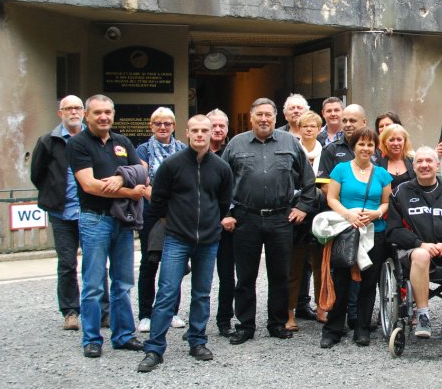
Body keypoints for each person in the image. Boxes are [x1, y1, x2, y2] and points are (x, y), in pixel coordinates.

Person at [136, 115, 234, 372]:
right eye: (195, 130)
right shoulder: (172, 165)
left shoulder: (222, 168)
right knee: (167, 292)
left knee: (201, 293)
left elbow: (223, 202)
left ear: (212, 132)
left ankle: (197, 340)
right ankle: (155, 348)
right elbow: (157, 202)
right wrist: (175, 223)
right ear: (187, 133)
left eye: (205, 130)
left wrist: (212, 224)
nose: (200, 135)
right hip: (177, 239)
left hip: (209, 240)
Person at [221, 98, 318, 345]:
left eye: (268, 115)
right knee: (245, 276)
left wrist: (303, 208)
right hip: (246, 218)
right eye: (259, 115)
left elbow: (309, 181)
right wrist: (227, 212)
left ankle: (276, 322)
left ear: (276, 118)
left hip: (280, 218)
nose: (264, 119)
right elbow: (221, 182)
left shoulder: (289, 143)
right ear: (251, 118)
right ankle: (245, 325)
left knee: (280, 274)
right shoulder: (235, 144)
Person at [66, 94, 148, 358]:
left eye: (107, 112)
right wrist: (128, 190)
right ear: (87, 115)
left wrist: (119, 178)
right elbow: (89, 185)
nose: (103, 117)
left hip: (122, 221)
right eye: (97, 112)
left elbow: (142, 171)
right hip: (95, 219)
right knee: (93, 284)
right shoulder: (78, 144)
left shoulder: (121, 141)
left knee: (123, 282)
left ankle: (123, 335)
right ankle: (91, 339)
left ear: (113, 115)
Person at [387, 147, 442, 338]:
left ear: (437, 165)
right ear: (413, 166)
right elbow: (393, 230)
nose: (424, 165)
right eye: (419, 161)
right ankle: (422, 316)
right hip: (414, 252)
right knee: (421, 255)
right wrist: (420, 244)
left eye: (429, 161)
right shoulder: (400, 193)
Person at [31, 95, 99, 330]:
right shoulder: (49, 141)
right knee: (67, 263)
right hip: (62, 213)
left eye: (77, 108)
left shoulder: (93, 139)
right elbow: (37, 174)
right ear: (60, 113)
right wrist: (55, 196)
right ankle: (70, 312)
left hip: (91, 211)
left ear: (84, 112)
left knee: (96, 263)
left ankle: (103, 311)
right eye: (68, 108)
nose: (73, 112)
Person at [322, 127, 392, 348]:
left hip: (375, 232)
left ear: (375, 148)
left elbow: (386, 202)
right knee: (341, 280)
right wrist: (348, 214)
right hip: (346, 231)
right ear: (353, 147)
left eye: (370, 144)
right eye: (361, 144)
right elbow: (332, 198)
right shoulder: (340, 170)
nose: (365, 148)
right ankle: (333, 329)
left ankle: (362, 328)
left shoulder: (381, 174)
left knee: (369, 283)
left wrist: (376, 213)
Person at [135, 107, 187, 333]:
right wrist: (158, 199)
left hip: (177, 214)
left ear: (174, 126)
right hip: (152, 213)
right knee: (149, 263)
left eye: (167, 123)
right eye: (158, 124)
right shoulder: (143, 150)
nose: (163, 127)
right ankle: (146, 314)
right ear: (151, 126)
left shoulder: (183, 149)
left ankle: (172, 311)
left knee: (175, 261)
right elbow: (142, 180)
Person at [286, 111, 324, 330]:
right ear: (298, 129)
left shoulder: (326, 152)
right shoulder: (291, 150)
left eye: (313, 126)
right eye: (305, 126)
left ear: (319, 129)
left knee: (320, 266)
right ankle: (289, 312)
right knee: (294, 266)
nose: (309, 130)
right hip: (297, 214)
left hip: (320, 214)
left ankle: (322, 307)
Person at [206, 108, 236, 336]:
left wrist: (226, 214)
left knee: (227, 276)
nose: (217, 129)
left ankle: (224, 320)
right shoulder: (195, 152)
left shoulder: (235, 152)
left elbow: (235, 190)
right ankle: (197, 322)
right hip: (201, 225)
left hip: (227, 225)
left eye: (221, 126)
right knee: (200, 277)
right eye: (212, 125)